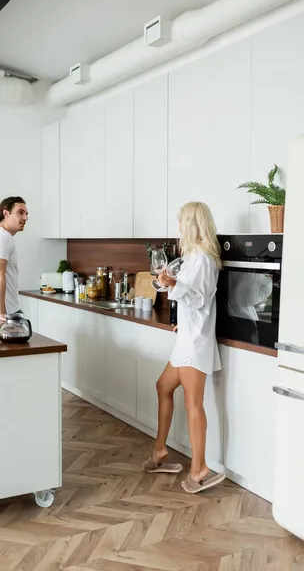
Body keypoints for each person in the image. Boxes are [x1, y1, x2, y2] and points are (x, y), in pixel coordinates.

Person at [142, 201, 225, 494]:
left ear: (191, 224)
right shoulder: (193, 257)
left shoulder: (203, 258)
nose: (178, 227)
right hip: (187, 338)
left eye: (181, 222)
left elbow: (199, 299)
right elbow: (189, 295)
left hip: (196, 342)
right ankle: (160, 451)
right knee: (163, 387)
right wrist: (171, 283)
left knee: (193, 404)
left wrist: (172, 284)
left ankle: (199, 469)